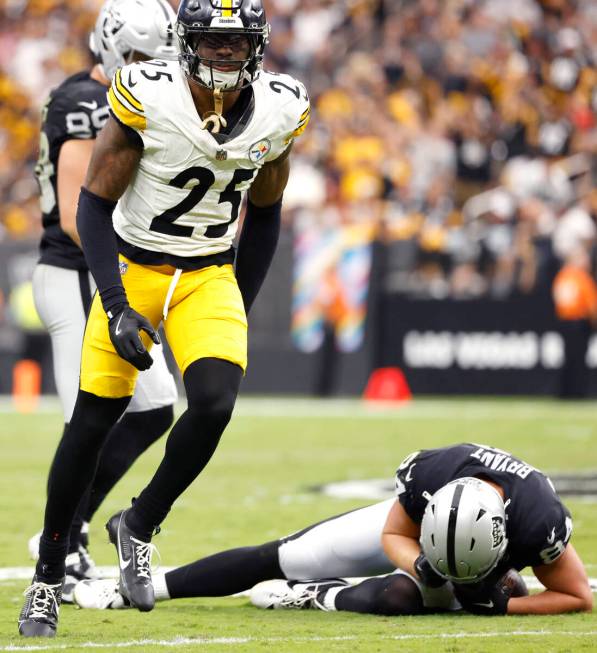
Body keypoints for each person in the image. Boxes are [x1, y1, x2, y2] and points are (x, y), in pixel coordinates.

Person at [19, 0, 309, 638]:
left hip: (206, 272)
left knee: (212, 402)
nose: (226, 54)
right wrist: (118, 305)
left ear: (258, 46)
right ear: (187, 44)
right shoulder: (149, 97)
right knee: (92, 422)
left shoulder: (280, 108)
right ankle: (45, 577)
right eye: (213, 41)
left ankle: (139, 523)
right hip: (135, 266)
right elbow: (92, 207)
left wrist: (240, 301)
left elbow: (265, 212)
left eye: (237, 42)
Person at [29, 0, 180, 602]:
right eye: (140, 56)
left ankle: (79, 523)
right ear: (113, 46)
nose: (148, 67)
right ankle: (57, 546)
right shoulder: (80, 102)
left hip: (116, 273)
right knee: (85, 422)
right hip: (75, 272)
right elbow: (73, 216)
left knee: (155, 407)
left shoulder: (154, 96)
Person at [74, 444, 592, 617]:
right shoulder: (434, 477)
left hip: (479, 569)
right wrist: (420, 561)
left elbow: (576, 595)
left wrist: (503, 605)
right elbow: (393, 534)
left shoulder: (538, 518)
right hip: (419, 546)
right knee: (283, 556)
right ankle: (138, 588)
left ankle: (314, 597)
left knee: (395, 598)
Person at [552, 245, 597, 398]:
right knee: (579, 360)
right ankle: (578, 392)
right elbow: (592, 306)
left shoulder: (561, 276)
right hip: (579, 323)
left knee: (568, 358)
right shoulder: (581, 277)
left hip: (564, 322)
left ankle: (566, 392)